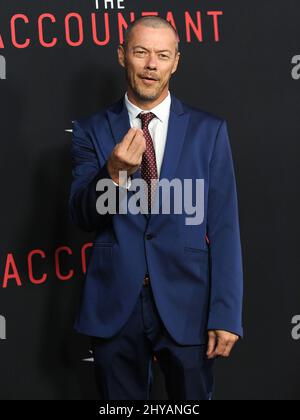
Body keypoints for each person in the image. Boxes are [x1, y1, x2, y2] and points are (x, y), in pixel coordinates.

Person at [69, 16, 243, 400]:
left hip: (189, 306)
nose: (151, 64)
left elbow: (225, 227)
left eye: (162, 55)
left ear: (175, 61)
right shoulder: (90, 130)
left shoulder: (208, 131)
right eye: (141, 52)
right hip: (115, 306)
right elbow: (83, 217)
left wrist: (226, 314)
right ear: (122, 56)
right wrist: (112, 173)